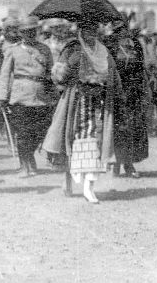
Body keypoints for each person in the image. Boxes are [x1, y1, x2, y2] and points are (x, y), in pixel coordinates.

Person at [43, 20, 121, 204]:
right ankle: (68, 177)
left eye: (94, 30)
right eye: (87, 30)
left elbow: (114, 77)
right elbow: (58, 77)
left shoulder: (103, 51)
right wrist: (70, 64)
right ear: (80, 31)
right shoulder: (72, 49)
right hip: (76, 102)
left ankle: (88, 187)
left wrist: (115, 93)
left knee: (96, 141)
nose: (91, 34)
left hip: (99, 103)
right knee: (71, 140)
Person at [0, 16, 57, 177]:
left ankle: (29, 156)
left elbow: (51, 73)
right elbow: (4, 74)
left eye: (32, 31)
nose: (30, 34)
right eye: (26, 31)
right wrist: (2, 96)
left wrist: (55, 94)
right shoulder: (13, 50)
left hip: (41, 96)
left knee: (40, 131)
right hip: (20, 96)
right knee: (23, 133)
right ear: (21, 33)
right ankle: (25, 165)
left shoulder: (44, 50)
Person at [102, 19, 150, 178]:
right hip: (115, 93)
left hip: (133, 93)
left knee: (132, 130)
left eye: (123, 28)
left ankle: (128, 164)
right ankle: (115, 164)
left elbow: (141, 68)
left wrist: (142, 89)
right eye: (118, 29)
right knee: (116, 129)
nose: (122, 32)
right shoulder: (108, 44)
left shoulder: (135, 44)